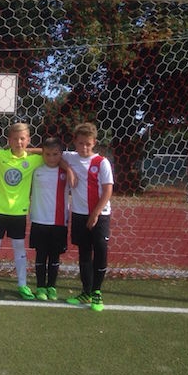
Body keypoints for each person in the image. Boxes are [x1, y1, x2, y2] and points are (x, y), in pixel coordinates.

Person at [0, 123, 44, 300]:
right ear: (9, 140)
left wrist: (30, 150)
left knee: (19, 247)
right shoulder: (0, 156)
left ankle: (22, 285)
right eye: (15, 139)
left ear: (28, 140)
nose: (19, 142)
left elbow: (53, 152)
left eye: (22, 139)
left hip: (18, 213)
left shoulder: (33, 160)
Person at [64, 123, 113, 312]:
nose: (84, 147)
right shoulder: (71, 157)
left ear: (94, 143)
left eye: (88, 144)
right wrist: (68, 169)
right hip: (79, 214)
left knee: (100, 252)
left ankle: (97, 291)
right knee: (84, 254)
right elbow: (47, 152)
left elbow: (108, 191)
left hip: (99, 215)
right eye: (81, 143)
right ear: (75, 142)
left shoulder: (101, 162)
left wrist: (95, 214)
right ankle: (86, 291)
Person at [29, 137, 69, 301]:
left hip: (59, 221)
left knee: (54, 257)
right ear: (42, 153)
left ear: (61, 154)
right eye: (47, 154)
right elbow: (26, 151)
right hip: (39, 220)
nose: (51, 158)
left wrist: (69, 169)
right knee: (40, 255)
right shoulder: (36, 167)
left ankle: (51, 286)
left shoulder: (66, 170)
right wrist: (39, 151)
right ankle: (40, 287)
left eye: (55, 154)